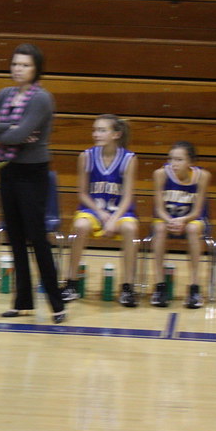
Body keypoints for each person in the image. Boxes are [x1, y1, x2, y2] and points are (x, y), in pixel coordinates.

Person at [0, 43, 65, 324]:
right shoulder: (4, 95)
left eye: (24, 65)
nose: (18, 69)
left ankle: (57, 304)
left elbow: (22, 133)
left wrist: (6, 129)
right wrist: (11, 130)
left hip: (33, 173)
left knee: (37, 238)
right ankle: (22, 302)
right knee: (13, 235)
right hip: (9, 170)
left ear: (36, 69)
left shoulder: (42, 99)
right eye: (15, 64)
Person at [61, 115, 140, 307]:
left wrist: (113, 219)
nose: (96, 134)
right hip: (93, 209)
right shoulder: (86, 156)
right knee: (80, 225)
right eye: (95, 130)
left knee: (130, 229)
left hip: (120, 212)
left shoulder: (129, 158)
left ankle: (128, 287)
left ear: (116, 134)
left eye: (102, 130)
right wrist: (101, 213)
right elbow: (82, 193)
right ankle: (71, 283)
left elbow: (128, 196)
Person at [149, 141, 210, 309]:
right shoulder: (160, 174)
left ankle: (194, 288)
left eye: (179, 160)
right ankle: (160, 287)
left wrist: (183, 221)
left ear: (190, 162)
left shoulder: (202, 176)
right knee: (160, 228)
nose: (174, 164)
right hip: (166, 218)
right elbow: (159, 209)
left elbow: (198, 211)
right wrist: (170, 221)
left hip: (192, 219)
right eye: (171, 159)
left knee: (192, 229)